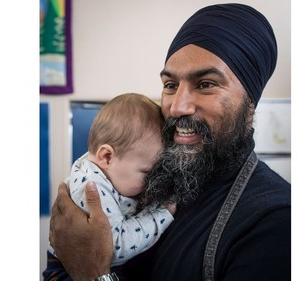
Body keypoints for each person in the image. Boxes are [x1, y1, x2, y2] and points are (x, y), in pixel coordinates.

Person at [44, 3, 291, 281]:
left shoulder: (277, 222)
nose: (177, 107)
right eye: (171, 86)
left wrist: (93, 273)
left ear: (250, 103)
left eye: (206, 84)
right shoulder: (156, 179)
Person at [45, 93, 176, 280]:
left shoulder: (103, 170)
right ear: (106, 156)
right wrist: (162, 214)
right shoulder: (93, 188)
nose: (151, 182)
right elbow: (113, 248)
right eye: (147, 173)